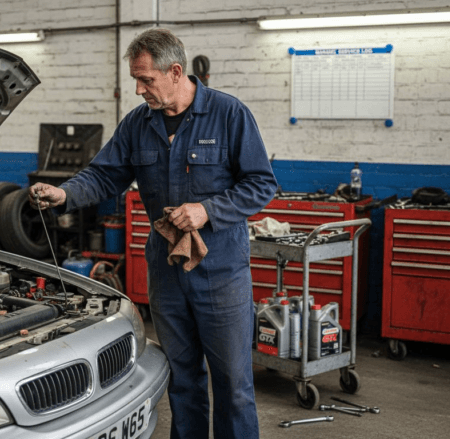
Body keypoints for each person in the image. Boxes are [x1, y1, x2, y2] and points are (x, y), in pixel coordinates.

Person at [29, 28, 277, 439]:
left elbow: (261, 184)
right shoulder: (138, 124)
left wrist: (207, 210)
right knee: (182, 379)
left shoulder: (229, 114)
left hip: (222, 272)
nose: (140, 89)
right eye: (136, 80)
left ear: (175, 71)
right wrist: (64, 192)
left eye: (147, 79)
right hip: (166, 270)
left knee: (233, 385)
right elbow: (104, 175)